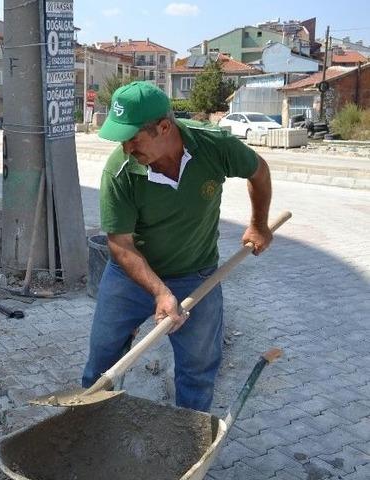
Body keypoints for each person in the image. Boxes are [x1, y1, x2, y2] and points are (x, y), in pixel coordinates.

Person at [81, 81, 273, 412]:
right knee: (103, 360)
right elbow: (120, 244)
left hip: (196, 274)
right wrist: (158, 291)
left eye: (133, 138)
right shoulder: (120, 171)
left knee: (198, 368)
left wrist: (258, 224)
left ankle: (189, 437)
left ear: (164, 127)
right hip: (131, 277)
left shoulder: (214, 145)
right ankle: (93, 423)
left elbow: (259, 171)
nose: (126, 148)